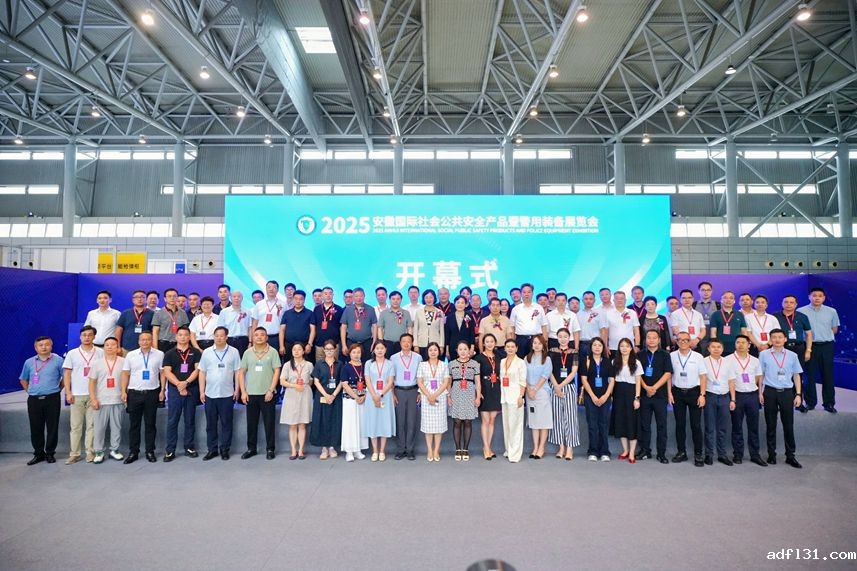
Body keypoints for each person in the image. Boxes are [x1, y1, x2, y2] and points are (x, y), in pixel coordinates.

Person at [759, 329, 803, 468]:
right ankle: (771, 454)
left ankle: (790, 456)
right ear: (770, 340)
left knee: (788, 425)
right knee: (770, 425)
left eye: (780, 337)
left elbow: (796, 375)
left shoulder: (792, 355)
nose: (777, 340)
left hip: (787, 393)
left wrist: (798, 394)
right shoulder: (764, 354)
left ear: (785, 339)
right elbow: (761, 375)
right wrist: (760, 393)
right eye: (774, 337)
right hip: (770, 392)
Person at [120, 331, 165, 464]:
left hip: (152, 393)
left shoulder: (159, 354)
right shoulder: (131, 355)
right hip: (134, 393)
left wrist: (163, 390)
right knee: (134, 424)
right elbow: (125, 374)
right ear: (139, 341)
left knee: (150, 424)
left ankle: (150, 451)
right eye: (142, 339)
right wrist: (123, 391)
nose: (145, 342)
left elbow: (162, 373)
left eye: (148, 339)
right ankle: (133, 452)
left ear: (152, 340)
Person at [62, 325, 104, 464]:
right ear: (80, 337)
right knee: (76, 426)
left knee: (92, 426)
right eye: (84, 335)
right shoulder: (72, 353)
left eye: (90, 335)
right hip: (77, 394)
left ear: (94, 337)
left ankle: (90, 452)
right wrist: (68, 392)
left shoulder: (100, 352)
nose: (87, 337)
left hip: (94, 395)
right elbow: (67, 374)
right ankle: (74, 454)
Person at [198, 327, 241, 461]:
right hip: (210, 394)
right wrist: (202, 391)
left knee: (226, 423)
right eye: (216, 335)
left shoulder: (234, 352)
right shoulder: (207, 352)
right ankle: (212, 450)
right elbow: (202, 372)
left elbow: (237, 372)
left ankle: (225, 449)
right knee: (211, 424)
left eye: (222, 336)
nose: (219, 338)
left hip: (227, 394)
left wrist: (237, 389)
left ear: (226, 337)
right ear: (213, 336)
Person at [238, 327, 280, 460]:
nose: (259, 337)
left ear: (267, 337)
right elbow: (241, 372)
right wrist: (243, 391)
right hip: (251, 393)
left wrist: (271, 390)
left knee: (269, 423)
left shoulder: (273, 352)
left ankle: (270, 449)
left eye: (262, 335)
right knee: (251, 423)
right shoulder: (247, 353)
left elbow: (277, 371)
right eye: (256, 335)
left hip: (267, 394)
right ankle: (251, 448)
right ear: (253, 337)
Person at [20, 336, 63, 465]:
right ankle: (38, 454)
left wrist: (58, 389)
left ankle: (50, 453)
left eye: (47, 344)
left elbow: (66, 377)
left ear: (51, 346)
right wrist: (30, 391)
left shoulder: (58, 360)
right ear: (35, 347)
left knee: (52, 427)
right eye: (40, 345)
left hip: (52, 398)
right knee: (36, 427)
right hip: (34, 400)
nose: (44, 347)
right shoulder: (29, 362)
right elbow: (23, 379)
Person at [161, 326, 202, 461]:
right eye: (180, 335)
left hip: (191, 389)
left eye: (186, 335)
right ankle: (170, 450)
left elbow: (197, 370)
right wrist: (179, 384)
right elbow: (167, 371)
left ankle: (189, 447)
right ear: (176, 337)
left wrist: (186, 383)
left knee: (190, 420)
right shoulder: (169, 353)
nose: (183, 337)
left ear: (189, 337)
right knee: (173, 420)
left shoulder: (196, 352)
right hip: (174, 390)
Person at [798, 287, 840, 413]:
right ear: (809, 297)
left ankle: (829, 403)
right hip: (809, 346)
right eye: (814, 295)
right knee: (809, 376)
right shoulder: (801, 311)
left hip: (827, 346)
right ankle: (810, 403)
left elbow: (834, 329)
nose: (817, 298)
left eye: (820, 296)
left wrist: (823, 336)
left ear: (824, 298)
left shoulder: (831, 311)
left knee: (828, 375)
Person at [670, 332, 708, 467]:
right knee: (680, 424)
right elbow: (669, 376)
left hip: (694, 393)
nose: (683, 342)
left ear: (690, 341)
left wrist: (702, 395)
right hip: (677, 393)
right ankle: (681, 452)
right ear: (676, 342)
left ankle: (698, 453)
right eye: (680, 340)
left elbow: (703, 377)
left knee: (696, 425)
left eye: (686, 340)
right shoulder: (671, 356)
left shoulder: (698, 357)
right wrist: (669, 393)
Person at [728, 335, 767, 466]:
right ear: (735, 344)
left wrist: (759, 393)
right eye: (738, 342)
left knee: (753, 427)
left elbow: (758, 378)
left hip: (752, 396)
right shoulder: (728, 360)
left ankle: (755, 455)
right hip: (737, 396)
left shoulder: (755, 360)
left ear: (748, 345)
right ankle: (738, 454)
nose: (740, 345)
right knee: (737, 426)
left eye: (743, 342)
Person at [637, 329, 672, 463]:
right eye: (649, 337)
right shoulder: (640, 355)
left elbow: (668, 373)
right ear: (645, 340)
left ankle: (661, 453)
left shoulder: (665, 355)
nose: (651, 340)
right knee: (644, 425)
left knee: (661, 425)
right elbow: (637, 374)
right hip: (644, 395)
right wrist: (646, 387)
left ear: (659, 340)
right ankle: (645, 450)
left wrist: (654, 388)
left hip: (660, 396)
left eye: (654, 338)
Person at [88, 337, 125, 464]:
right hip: (101, 401)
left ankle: (114, 450)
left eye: (113, 344)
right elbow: (91, 383)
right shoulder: (96, 363)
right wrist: (93, 399)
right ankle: (99, 452)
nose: (109, 347)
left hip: (117, 400)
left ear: (117, 347)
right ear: (104, 347)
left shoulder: (123, 362)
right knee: (99, 428)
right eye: (107, 345)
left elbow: (126, 380)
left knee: (116, 427)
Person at [774, 295, 813, 412]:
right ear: (782, 303)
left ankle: (798, 402)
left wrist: (808, 350)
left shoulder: (802, 317)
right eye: (786, 302)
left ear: (796, 304)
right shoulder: (775, 316)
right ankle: (780, 403)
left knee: (798, 375)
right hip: (781, 348)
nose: (788, 304)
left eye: (791, 302)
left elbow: (809, 334)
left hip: (798, 348)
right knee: (780, 374)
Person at [580, 337, 614, 462]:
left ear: (603, 347)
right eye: (594, 345)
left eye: (599, 345)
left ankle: (605, 451)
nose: (597, 347)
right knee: (592, 425)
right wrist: (593, 396)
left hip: (605, 397)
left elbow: (612, 380)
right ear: (591, 347)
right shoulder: (586, 361)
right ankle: (593, 451)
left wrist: (606, 396)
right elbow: (584, 380)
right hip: (590, 397)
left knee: (603, 424)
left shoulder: (607, 362)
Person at [608, 338, 642, 463]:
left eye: (627, 346)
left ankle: (632, 452)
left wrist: (637, 398)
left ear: (631, 348)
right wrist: (611, 395)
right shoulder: (614, 361)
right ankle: (625, 450)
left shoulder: (636, 362)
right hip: (618, 393)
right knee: (620, 421)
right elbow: (611, 380)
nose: (624, 348)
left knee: (632, 422)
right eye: (622, 346)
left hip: (631, 392)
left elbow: (638, 382)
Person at [702, 338, 735, 466]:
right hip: (710, 396)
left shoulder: (728, 362)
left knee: (722, 428)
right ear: (708, 349)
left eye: (719, 347)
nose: (716, 349)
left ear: (722, 349)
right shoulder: (703, 361)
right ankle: (709, 454)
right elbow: (702, 379)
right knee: (709, 427)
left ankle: (722, 454)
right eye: (713, 347)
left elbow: (731, 381)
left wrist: (733, 399)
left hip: (724, 397)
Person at [548, 328, 580, 461]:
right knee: (557, 417)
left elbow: (574, 371)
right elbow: (549, 370)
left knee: (570, 418)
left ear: (569, 338)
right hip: (554, 387)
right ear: (557, 337)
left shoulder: (574, 352)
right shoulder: (551, 351)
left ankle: (570, 448)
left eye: (565, 336)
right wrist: (556, 386)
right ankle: (561, 447)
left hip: (569, 387)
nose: (563, 339)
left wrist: (561, 386)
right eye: (560, 336)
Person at [363, 341, 396, 461]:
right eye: (377, 348)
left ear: (385, 350)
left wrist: (380, 394)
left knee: (384, 422)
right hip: (371, 396)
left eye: (382, 348)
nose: (380, 350)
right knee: (373, 422)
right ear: (374, 350)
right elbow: (367, 380)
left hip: (385, 396)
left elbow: (390, 382)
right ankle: (375, 451)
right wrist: (374, 395)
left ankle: (382, 451)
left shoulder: (390, 364)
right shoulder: (368, 363)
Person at [279, 343, 314, 460]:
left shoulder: (309, 365)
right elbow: (282, 381)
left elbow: (311, 380)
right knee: (293, 424)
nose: (297, 351)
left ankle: (301, 450)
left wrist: (303, 386)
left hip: (305, 394)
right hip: (291, 394)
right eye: (294, 349)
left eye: (299, 349)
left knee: (302, 424)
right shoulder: (287, 365)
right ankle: (293, 450)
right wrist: (294, 385)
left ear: (303, 351)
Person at [416, 342, 450, 462]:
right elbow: (420, 381)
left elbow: (446, 382)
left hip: (440, 397)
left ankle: (436, 450)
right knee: (428, 426)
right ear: (427, 352)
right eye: (430, 350)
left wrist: (435, 395)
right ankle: (430, 450)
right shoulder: (422, 365)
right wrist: (428, 395)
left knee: (439, 425)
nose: (433, 352)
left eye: (435, 350)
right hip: (426, 397)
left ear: (439, 351)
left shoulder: (444, 365)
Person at [448, 340, 481, 461]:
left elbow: (478, 382)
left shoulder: (474, 364)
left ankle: (465, 449)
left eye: (465, 349)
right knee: (457, 422)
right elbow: (448, 382)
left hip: (469, 393)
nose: (463, 352)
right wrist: (448, 396)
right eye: (460, 349)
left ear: (469, 351)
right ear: (457, 351)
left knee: (468, 422)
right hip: (456, 393)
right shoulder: (451, 364)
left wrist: (478, 397)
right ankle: (458, 448)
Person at [311, 340, 344, 459]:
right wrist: (326, 395)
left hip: (336, 397)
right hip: (322, 396)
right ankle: (324, 448)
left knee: (334, 420)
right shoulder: (319, 364)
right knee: (322, 421)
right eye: (327, 349)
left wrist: (333, 395)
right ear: (323, 350)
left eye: (331, 349)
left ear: (335, 350)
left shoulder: (340, 364)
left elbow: (342, 381)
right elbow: (316, 381)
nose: (329, 351)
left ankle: (332, 447)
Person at [391, 334, 422, 461]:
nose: (406, 344)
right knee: (400, 421)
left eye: (409, 341)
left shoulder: (418, 357)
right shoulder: (393, 358)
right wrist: (392, 394)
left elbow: (421, 376)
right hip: (399, 391)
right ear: (400, 343)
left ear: (412, 343)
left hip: (413, 391)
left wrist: (420, 392)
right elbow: (391, 378)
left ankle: (410, 449)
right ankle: (400, 449)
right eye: (403, 341)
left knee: (411, 421)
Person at [475, 333, 504, 460]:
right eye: (487, 341)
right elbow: (476, 377)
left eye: (492, 341)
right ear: (483, 343)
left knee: (492, 420)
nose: (489, 344)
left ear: (495, 343)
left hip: (496, 388)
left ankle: (489, 446)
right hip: (484, 388)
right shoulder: (478, 358)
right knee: (485, 420)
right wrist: (478, 392)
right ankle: (486, 447)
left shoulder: (499, 357)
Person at [499, 338, 527, 462]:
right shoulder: (502, 361)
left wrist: (521, 396)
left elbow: (523, 381)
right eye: (508, 347)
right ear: (505, 348)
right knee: (507, 425)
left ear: (516, 348)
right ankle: (509, 449)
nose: (510, 349)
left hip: (516, 397)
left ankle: (515, 454)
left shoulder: (520, 362)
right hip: (505, 397)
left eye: (512, 347)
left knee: (515, 425)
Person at [524, 335, 553, 459]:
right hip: (529, 392)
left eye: (539, 343)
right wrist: (529, 389)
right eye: (534, 343)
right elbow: (523, 375)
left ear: (543, 346)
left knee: (543, 420)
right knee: (534, 420)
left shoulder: (547, 359)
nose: (536, 345)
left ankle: (541, 447)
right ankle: (535, 447)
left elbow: (545, 375)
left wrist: (535, 389)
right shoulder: (527, 358)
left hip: (542, 392)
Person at [340, 343, 369, 461]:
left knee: (361, 424)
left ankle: (358, 450)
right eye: (354, 352)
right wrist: (356, 397)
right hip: (350, 399)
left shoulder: (365, 366)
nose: (356, 355)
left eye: (358, 352)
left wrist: (364, 396)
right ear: (349, 353)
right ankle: (349, 451)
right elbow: (344, 384)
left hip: (363, 399)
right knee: (350, 424)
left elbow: (369, 383)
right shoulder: (346, 367)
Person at [509, 283, 548, 358]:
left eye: (529, 292)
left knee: (536, 361)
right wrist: (513, 342)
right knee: (521, 361)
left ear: (532, 293)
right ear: (521, 294)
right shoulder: (516, 309)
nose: (526, 294)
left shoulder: (539, 308)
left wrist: (545, 342)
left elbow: (544, 326)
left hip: (536, 340)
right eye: (524, 292)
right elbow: (512, 327)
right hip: (521, 340)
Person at [340, 287, 377, 359]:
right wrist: (344, 345)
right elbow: (343, 327)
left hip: (367, 342)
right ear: (353, 297)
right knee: (352, 363)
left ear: (364, 296)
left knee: (366, 362)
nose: (359, 298)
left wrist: (374, 342)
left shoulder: (370, 309)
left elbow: (374, 326)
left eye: (361, 296)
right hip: (351, 342)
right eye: (356, 296)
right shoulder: (348, 310)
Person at [708, 291, 749, 356]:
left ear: (734, 301)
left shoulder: (739, 314)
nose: (728, 300)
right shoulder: (715, 314)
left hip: (737, 347)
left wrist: (746, 345)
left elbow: (744, 332)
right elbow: (713, 333)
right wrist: (714, 346)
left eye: (731, 298)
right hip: (720, 348)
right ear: (721, 300)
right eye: (725, 298)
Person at [278, 290, 315, 362]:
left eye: (301, 299)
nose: (298, 301)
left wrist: (309, 344)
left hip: (304, 345)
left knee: (305, 366)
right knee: (288, 365)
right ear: (293, 299)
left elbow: (313, 330)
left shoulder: (310, 313)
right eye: (296, 299)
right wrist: (281, 346)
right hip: (289, 345)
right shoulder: (287, 313)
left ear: (304, 300)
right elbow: (282, 330)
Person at [114, 290, 155, 355]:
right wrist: (118, 346)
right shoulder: (125, 313)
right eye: (136, 297)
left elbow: (154, 332)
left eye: (142, 297)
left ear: (146, 299)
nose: (139, 299)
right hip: (127, 349)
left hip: (146, 349)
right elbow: (118, 330)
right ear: (133, 300)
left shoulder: (152, 314)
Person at [152, 288, 189, 353]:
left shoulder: (183, 313)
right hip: (163, 344)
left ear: (177, 298)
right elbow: (155, 332)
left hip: (178, 344)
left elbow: (185, 331)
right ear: (165, 299)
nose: (172, 298)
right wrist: (155, 349)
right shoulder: (158, 313)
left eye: (174, 296)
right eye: (169, 296)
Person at [251, 280, 285, 349]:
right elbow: (255, 323)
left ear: (277, 290)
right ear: (266, 289)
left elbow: (284, 324)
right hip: (260, 337)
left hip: (276, 337)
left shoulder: (283, 304)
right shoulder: (259, 304)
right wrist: (253, 340)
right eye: (269, 287)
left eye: (274, 287)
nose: (271, 289)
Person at [312, 286, 343, 362]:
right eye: (325, 294)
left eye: (330, 293)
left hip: (334, 343)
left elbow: (342, 327)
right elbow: (314, 326)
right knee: (320, 365)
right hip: (319, 343)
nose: (328, 296)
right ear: (322, 295)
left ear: (333, 295)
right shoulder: (317, 309)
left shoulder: (339, 309)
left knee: (333, 365)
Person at [378, 291, 413, 357]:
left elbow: (409, 328)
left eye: (398, 299)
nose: (395, 301)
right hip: (387, 343)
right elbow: (380, 328)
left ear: (401, 300)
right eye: (393, 299)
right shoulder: (384, 313)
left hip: (402, 343)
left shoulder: (406, 313)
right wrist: (381, 342)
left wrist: (409, 341)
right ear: (389, 300)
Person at [671, 289, 705, 353]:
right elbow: (675, 330)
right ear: (680, 300)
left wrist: (697, 340)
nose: (687, 300)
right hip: (682, 344)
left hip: (696, 344)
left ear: (693, 299)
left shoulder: (698, 314)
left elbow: (703, 330)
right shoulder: (675, 314)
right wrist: (687, 341)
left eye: (689, 298)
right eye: (684, 298)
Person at [413, 289, 445, 359]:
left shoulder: (439, 312)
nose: (429, 299)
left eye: (431, 297)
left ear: (434, 298)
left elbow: (441, 330)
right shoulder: (418, 312)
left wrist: (441, 346)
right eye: (426, 297)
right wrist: (415, 344)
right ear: (423, 299)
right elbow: (415, 329)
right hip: (421, 343)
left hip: (435, 344)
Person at [217, 290, 250, 355]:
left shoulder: (248, 311)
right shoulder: (224, 312)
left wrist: (250, 342)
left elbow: (250, 328)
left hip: (243, 340)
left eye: (239, 296)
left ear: (242, 298)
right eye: (234, 296)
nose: (236, 298)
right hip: (229, 340)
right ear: (230, 298)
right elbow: (220, 328)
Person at [693, 282, 721, 351]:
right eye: (703, 290)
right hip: (698, 338)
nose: (706, 292)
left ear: (712, 291)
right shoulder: (693, 305)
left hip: (714, 337)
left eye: (708, 290)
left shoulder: (718, 305)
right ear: (699, 291)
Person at [577, 291, 605, 360]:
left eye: (590, 299)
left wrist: (603, 345)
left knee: (594, 364)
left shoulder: (600, 313)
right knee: (582, 365)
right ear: (582, 300)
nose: (588, 301)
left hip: (595, 344)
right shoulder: (578, 314)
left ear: (594, 300)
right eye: (586, 299)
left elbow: (603, 330)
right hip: (581, 344)